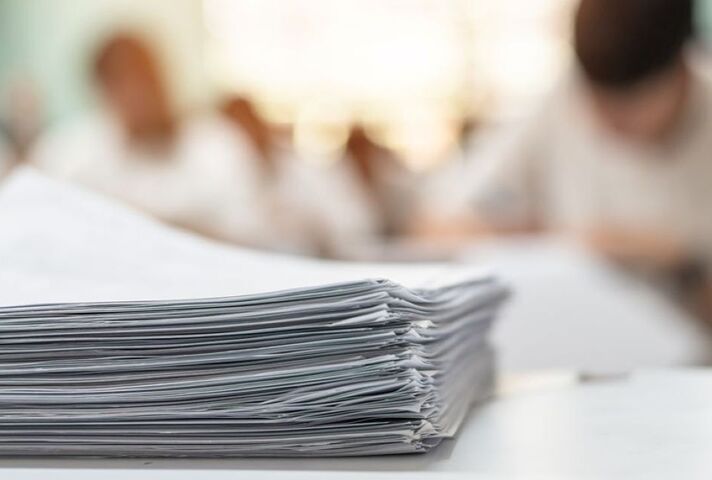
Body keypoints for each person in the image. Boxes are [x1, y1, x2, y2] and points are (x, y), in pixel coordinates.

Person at [421, 0, 712, 316]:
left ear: (682, 67)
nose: (607, 120)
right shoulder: (561, 103)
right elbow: (434, 229)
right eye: (597, 100)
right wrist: (566, 243)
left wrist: (681, 259)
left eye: (630, 107)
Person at [31, 34, 273, 246]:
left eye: (143, 77)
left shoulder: (216, 144)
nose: (138, 94)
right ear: (103, 93)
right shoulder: (72, 154)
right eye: (121, 83)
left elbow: (251, 231)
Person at [222, 97, 384, 257]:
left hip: (317, 253)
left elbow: (346, 223)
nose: (247, 130)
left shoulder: (298, 165)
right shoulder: (233, 165)